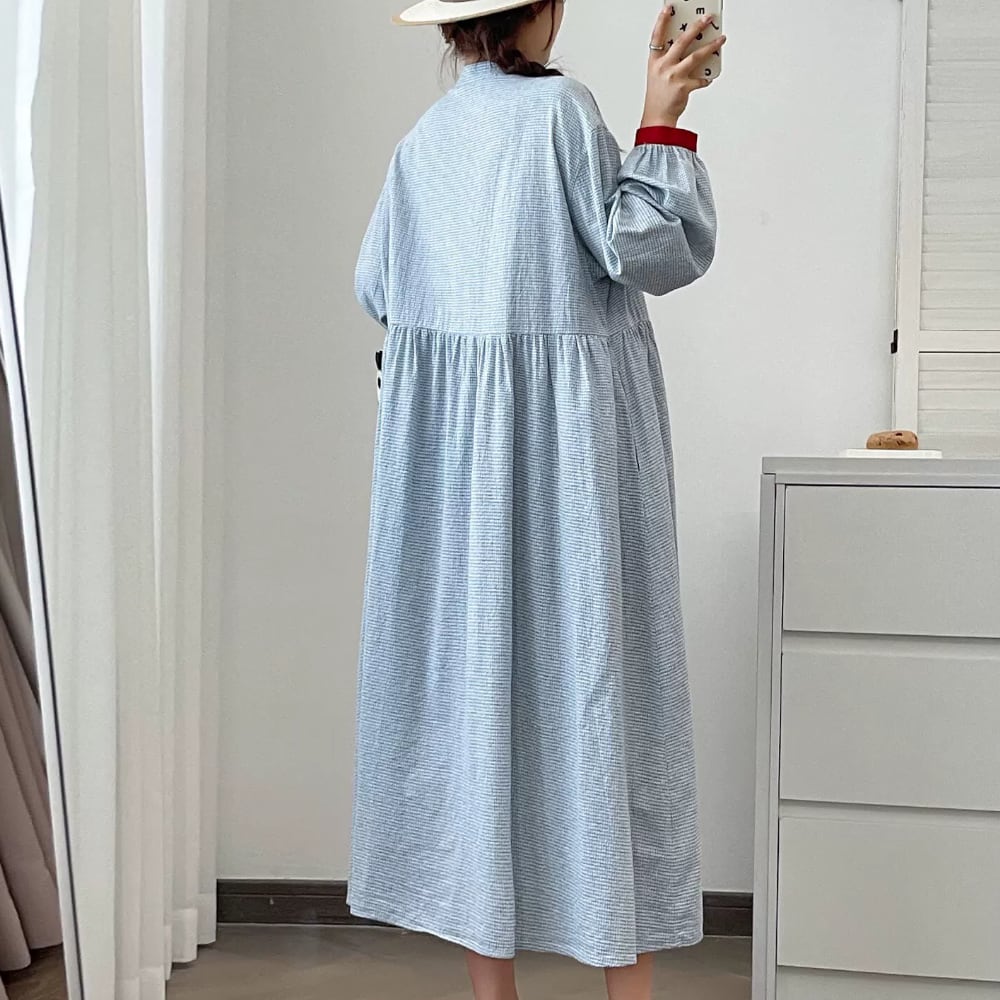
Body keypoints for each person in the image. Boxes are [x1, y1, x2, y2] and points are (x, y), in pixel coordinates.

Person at [351, 2, 722, 998]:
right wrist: (664, 119)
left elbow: (377, 283)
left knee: (481, 706)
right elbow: (651, 251)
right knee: (605, 695)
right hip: (575, 471)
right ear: (545, 11)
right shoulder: (561, 112)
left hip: (460, 487)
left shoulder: (426, 138)